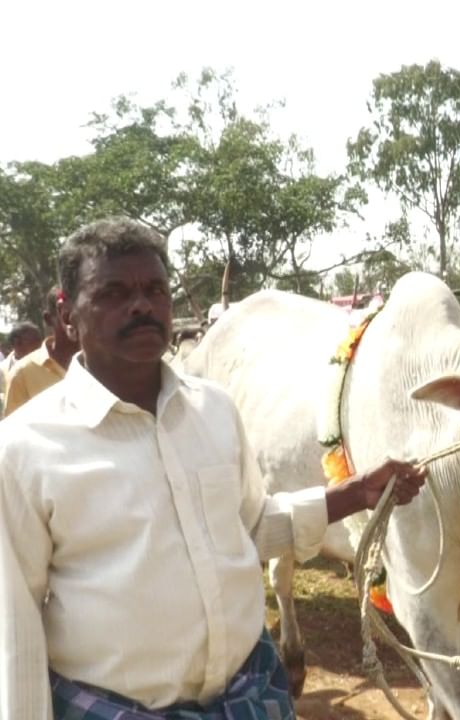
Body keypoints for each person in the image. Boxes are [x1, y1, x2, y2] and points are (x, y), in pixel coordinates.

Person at [0, 217, 428, 719]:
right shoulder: (24, 448)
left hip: (250, 696)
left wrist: (354, 494)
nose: (141, 305)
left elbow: (248, 526)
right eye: (114, 292)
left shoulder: (215, 411)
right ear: (67, 315)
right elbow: (15, 628)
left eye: (155, 290)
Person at [3, 286, 79, 417]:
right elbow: (14, 431)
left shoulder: (111, 364)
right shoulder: (22, 374)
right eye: (66, 315)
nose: (75, 321)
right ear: (49, 319)